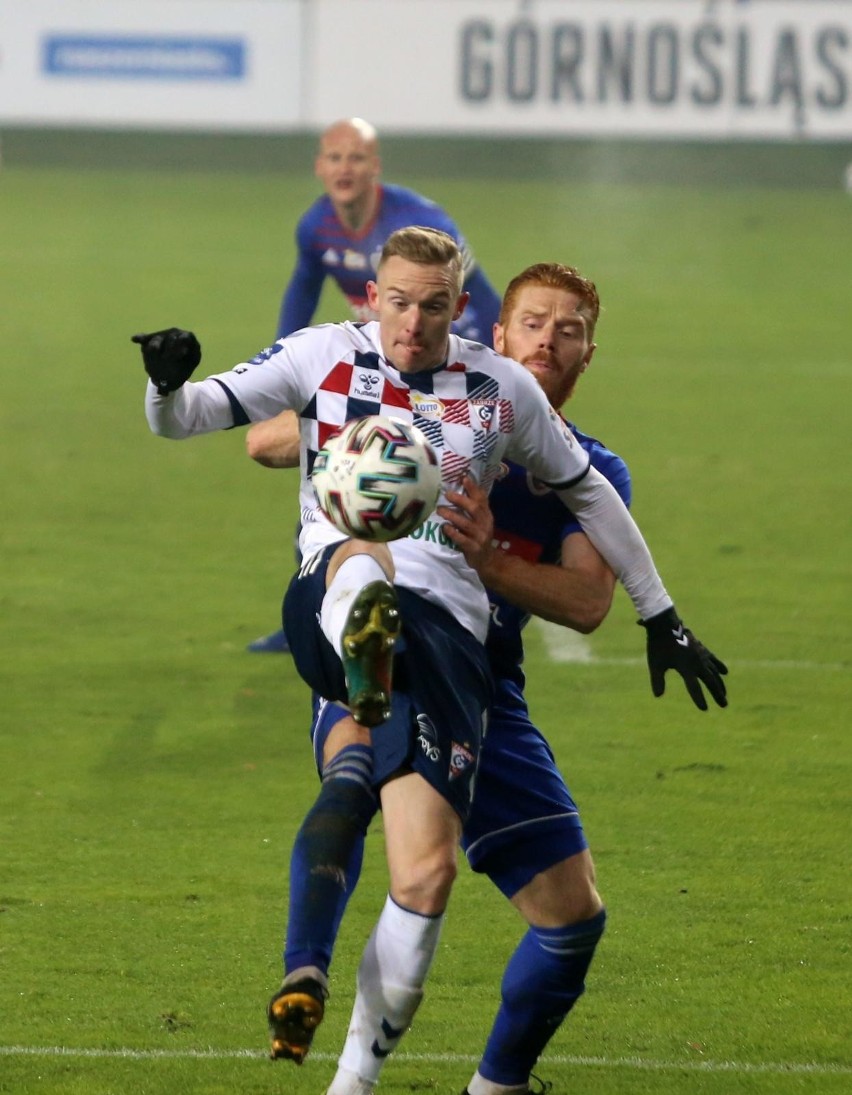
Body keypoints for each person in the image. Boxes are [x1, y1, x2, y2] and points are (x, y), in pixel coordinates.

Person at [133, 227, 725, 1095]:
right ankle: (362, 641)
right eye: (534, 322)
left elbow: (588, 572)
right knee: (358, 566)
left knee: (435, 874)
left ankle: (422, 1075)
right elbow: (215, 424)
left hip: (463, 659)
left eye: (568, 330)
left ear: (462, 310)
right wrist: (168, 384)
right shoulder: (329, 356)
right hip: (344, 607)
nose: (548, 342)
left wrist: (659, 612)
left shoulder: (513, 405)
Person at [247, 116, 501, 653]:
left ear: (375, 168)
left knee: (429, 491)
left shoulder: (423, 224)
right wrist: (279, 382)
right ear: (320, 166)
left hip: (441, 364)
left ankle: (466, 602)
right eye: (334, 157)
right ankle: (317, 610)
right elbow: (300, 296)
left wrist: (490, 379)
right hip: (375, 365)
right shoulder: (316, 227)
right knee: (328, 475)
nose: (345, 168)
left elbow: (479, 300)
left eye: (356, 158)